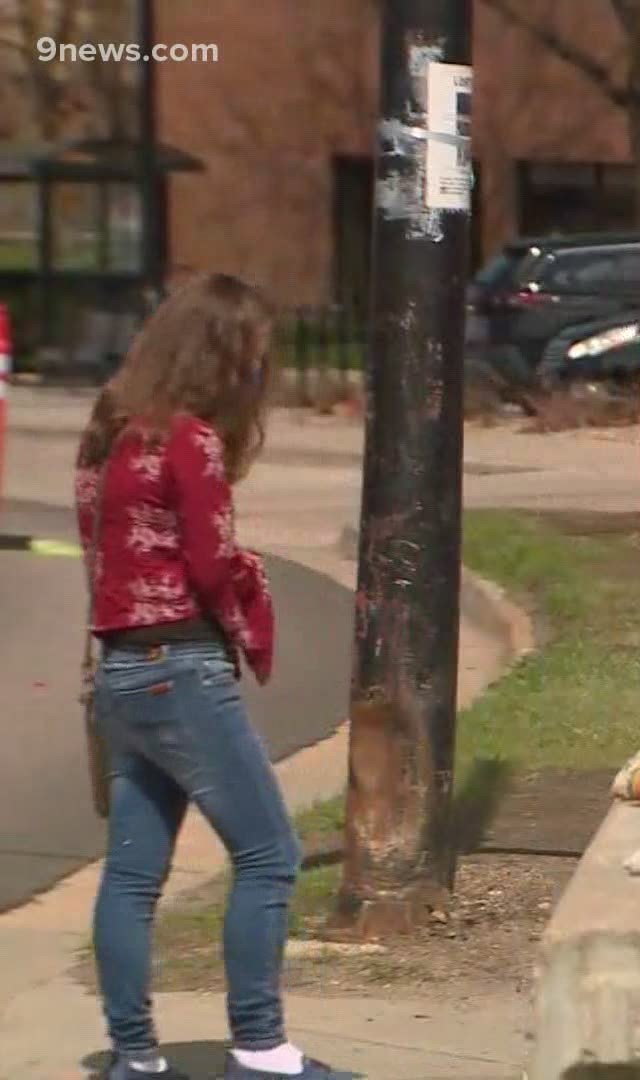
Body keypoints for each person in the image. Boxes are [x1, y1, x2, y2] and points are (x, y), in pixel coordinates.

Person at [75, 273, 347, 1080]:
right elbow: (210, 563)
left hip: (119, 672)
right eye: (256, 356)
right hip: (180, 666)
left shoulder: (107, 430)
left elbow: (107, 553)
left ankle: (133, 1058)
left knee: (131, 874)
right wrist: (250, 591)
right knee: (269, 854)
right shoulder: (189, 439)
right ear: (226, 356)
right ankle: (261, 1050)